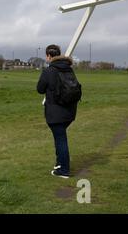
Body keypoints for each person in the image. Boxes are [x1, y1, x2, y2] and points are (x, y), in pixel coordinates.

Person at [37, 44, 80, 179]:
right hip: (70, 112)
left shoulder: (49, 71)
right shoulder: (69, 69)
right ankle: (59, 164)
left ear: (49, 56)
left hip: (56, 113)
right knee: (59, 138)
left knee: (61, 140)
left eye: (47, 56)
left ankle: (64, 170)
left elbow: (40, 89)